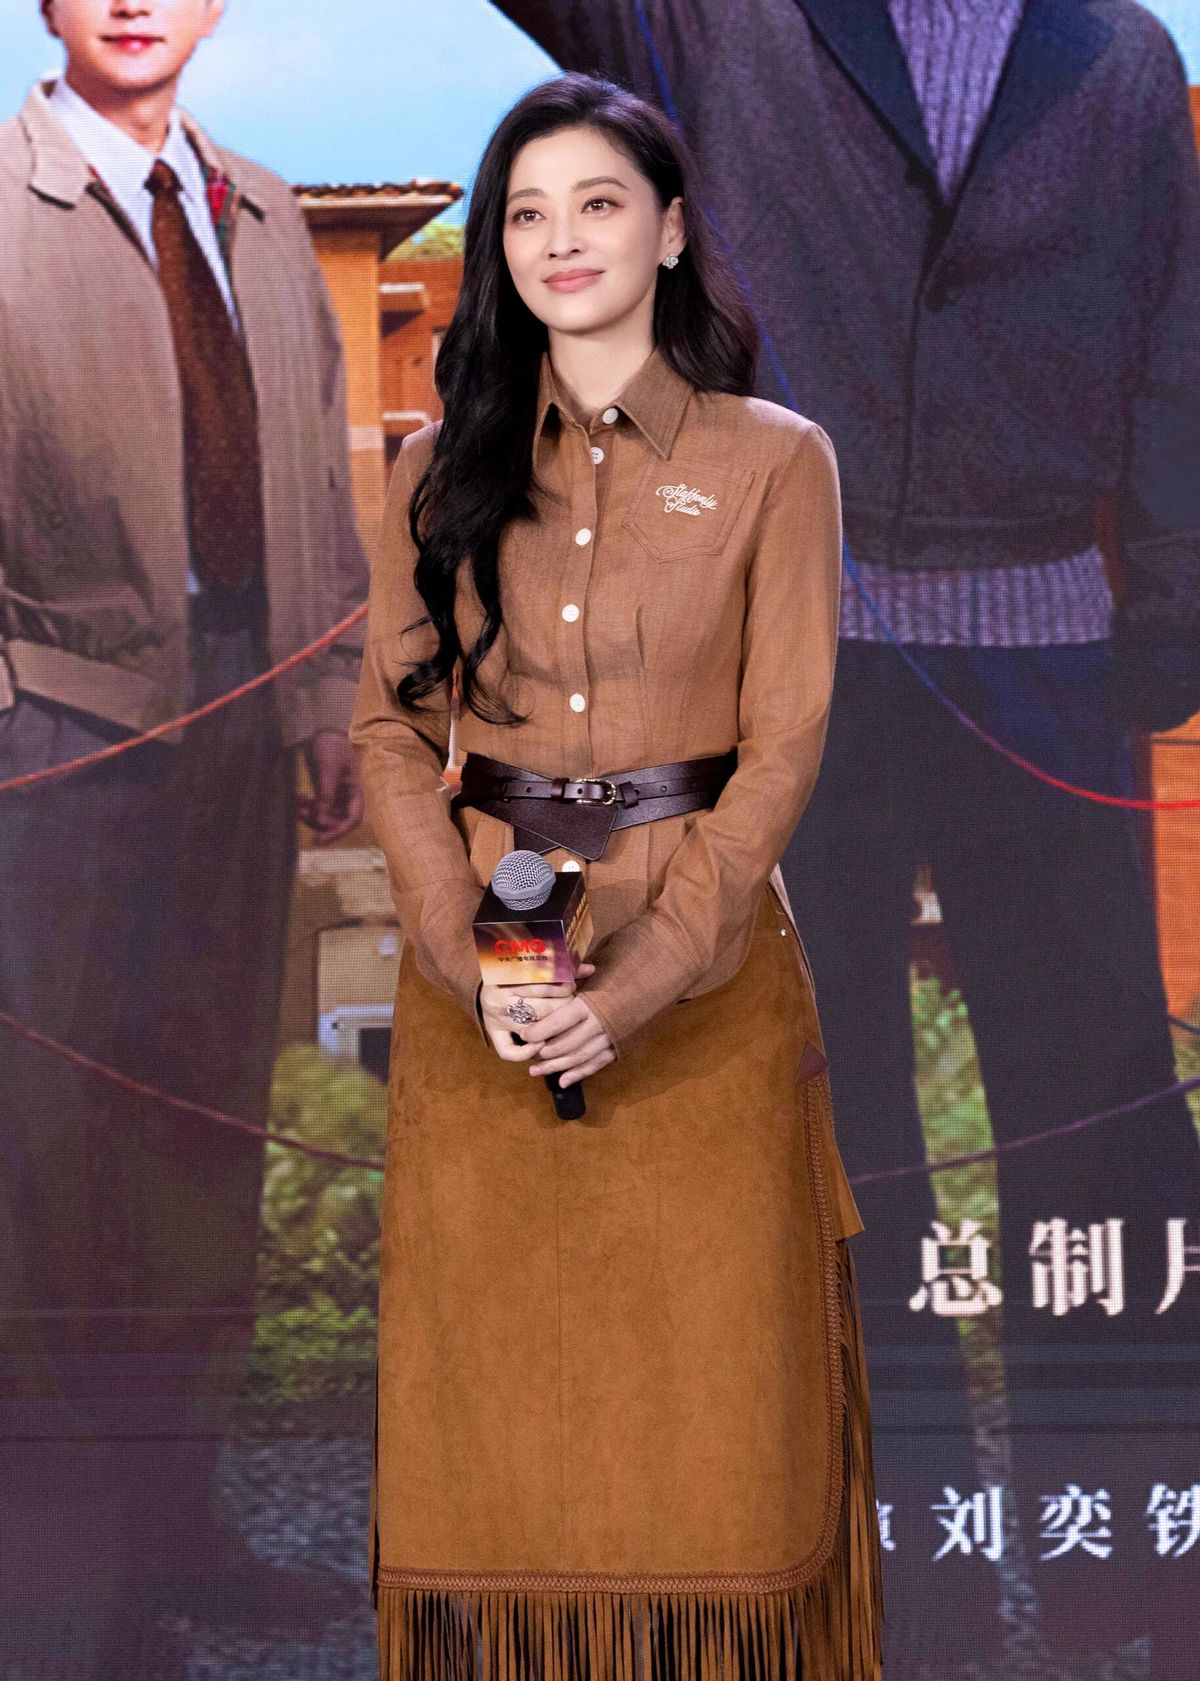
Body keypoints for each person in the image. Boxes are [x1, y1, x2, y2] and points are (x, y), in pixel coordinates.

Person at [490, 3, 1200, 1673]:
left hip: (1049, 640)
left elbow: (1179, 337)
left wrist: (1174, 594)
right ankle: (890, 1586)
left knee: (1105, 1124)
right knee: (823, 1129)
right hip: (787, 645)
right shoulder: (719, 21)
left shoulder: (1121, 59)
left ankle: (1132, 1578)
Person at [350, 70, 882, 1681]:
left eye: (596, 203)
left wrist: (639, 981)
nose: (560, 238)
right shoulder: (435, 469)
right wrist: (462, 956)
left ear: (668, 231)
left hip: (707, 1001)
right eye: (525, 212)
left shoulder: (779, 462)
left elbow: (782, 752)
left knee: (728, 1440)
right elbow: (390, 728)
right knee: (494, 1442)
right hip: (484, 1014)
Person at [0, 0, 368, 1663]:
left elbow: (316, 478)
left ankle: (176, 1533)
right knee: (45, 1164)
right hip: (55, 727)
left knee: (200, 1137)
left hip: (246, 719)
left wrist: (325, 698)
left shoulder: (264, 210)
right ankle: (60, 1584)